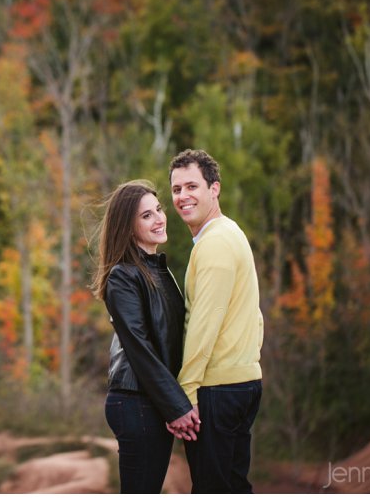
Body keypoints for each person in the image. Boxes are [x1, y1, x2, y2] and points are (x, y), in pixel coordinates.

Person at [92, 179, 200, 493]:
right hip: (135, 401)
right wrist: (176, 406)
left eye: (158, 210)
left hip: (150, 400)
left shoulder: (157, 270)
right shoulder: (123, 276)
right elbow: (140, 349)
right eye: (146, 216)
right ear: (127, 227)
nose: (159, 218)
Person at [167, 149, 264, 493]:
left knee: (212, 488)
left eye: (192, 186)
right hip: (241, 382)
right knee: (232, 486)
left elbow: (204, 324)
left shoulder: (215, 244)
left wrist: (186, 391)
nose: (183, 197)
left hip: (217, 389)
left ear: (215, 189)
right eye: (177, 190)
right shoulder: (229, 234)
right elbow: (256, 317)